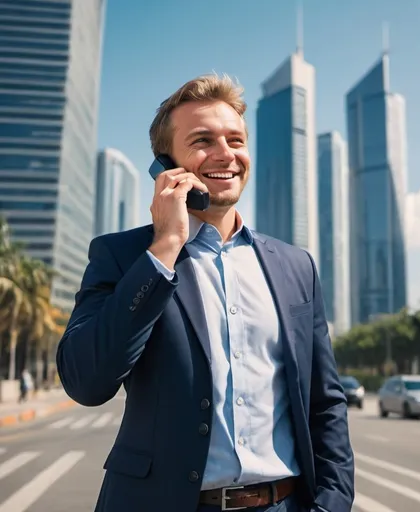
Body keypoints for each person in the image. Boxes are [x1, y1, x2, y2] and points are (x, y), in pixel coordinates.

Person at [56, 74, 354, 512]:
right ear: (165, 164)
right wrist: (164, 248)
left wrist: (331, 504)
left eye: (235, 139)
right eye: (202, 140)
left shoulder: (296, 267)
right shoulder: (122, 257)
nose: (225, 154)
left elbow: (325, 402)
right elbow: (86, 381)